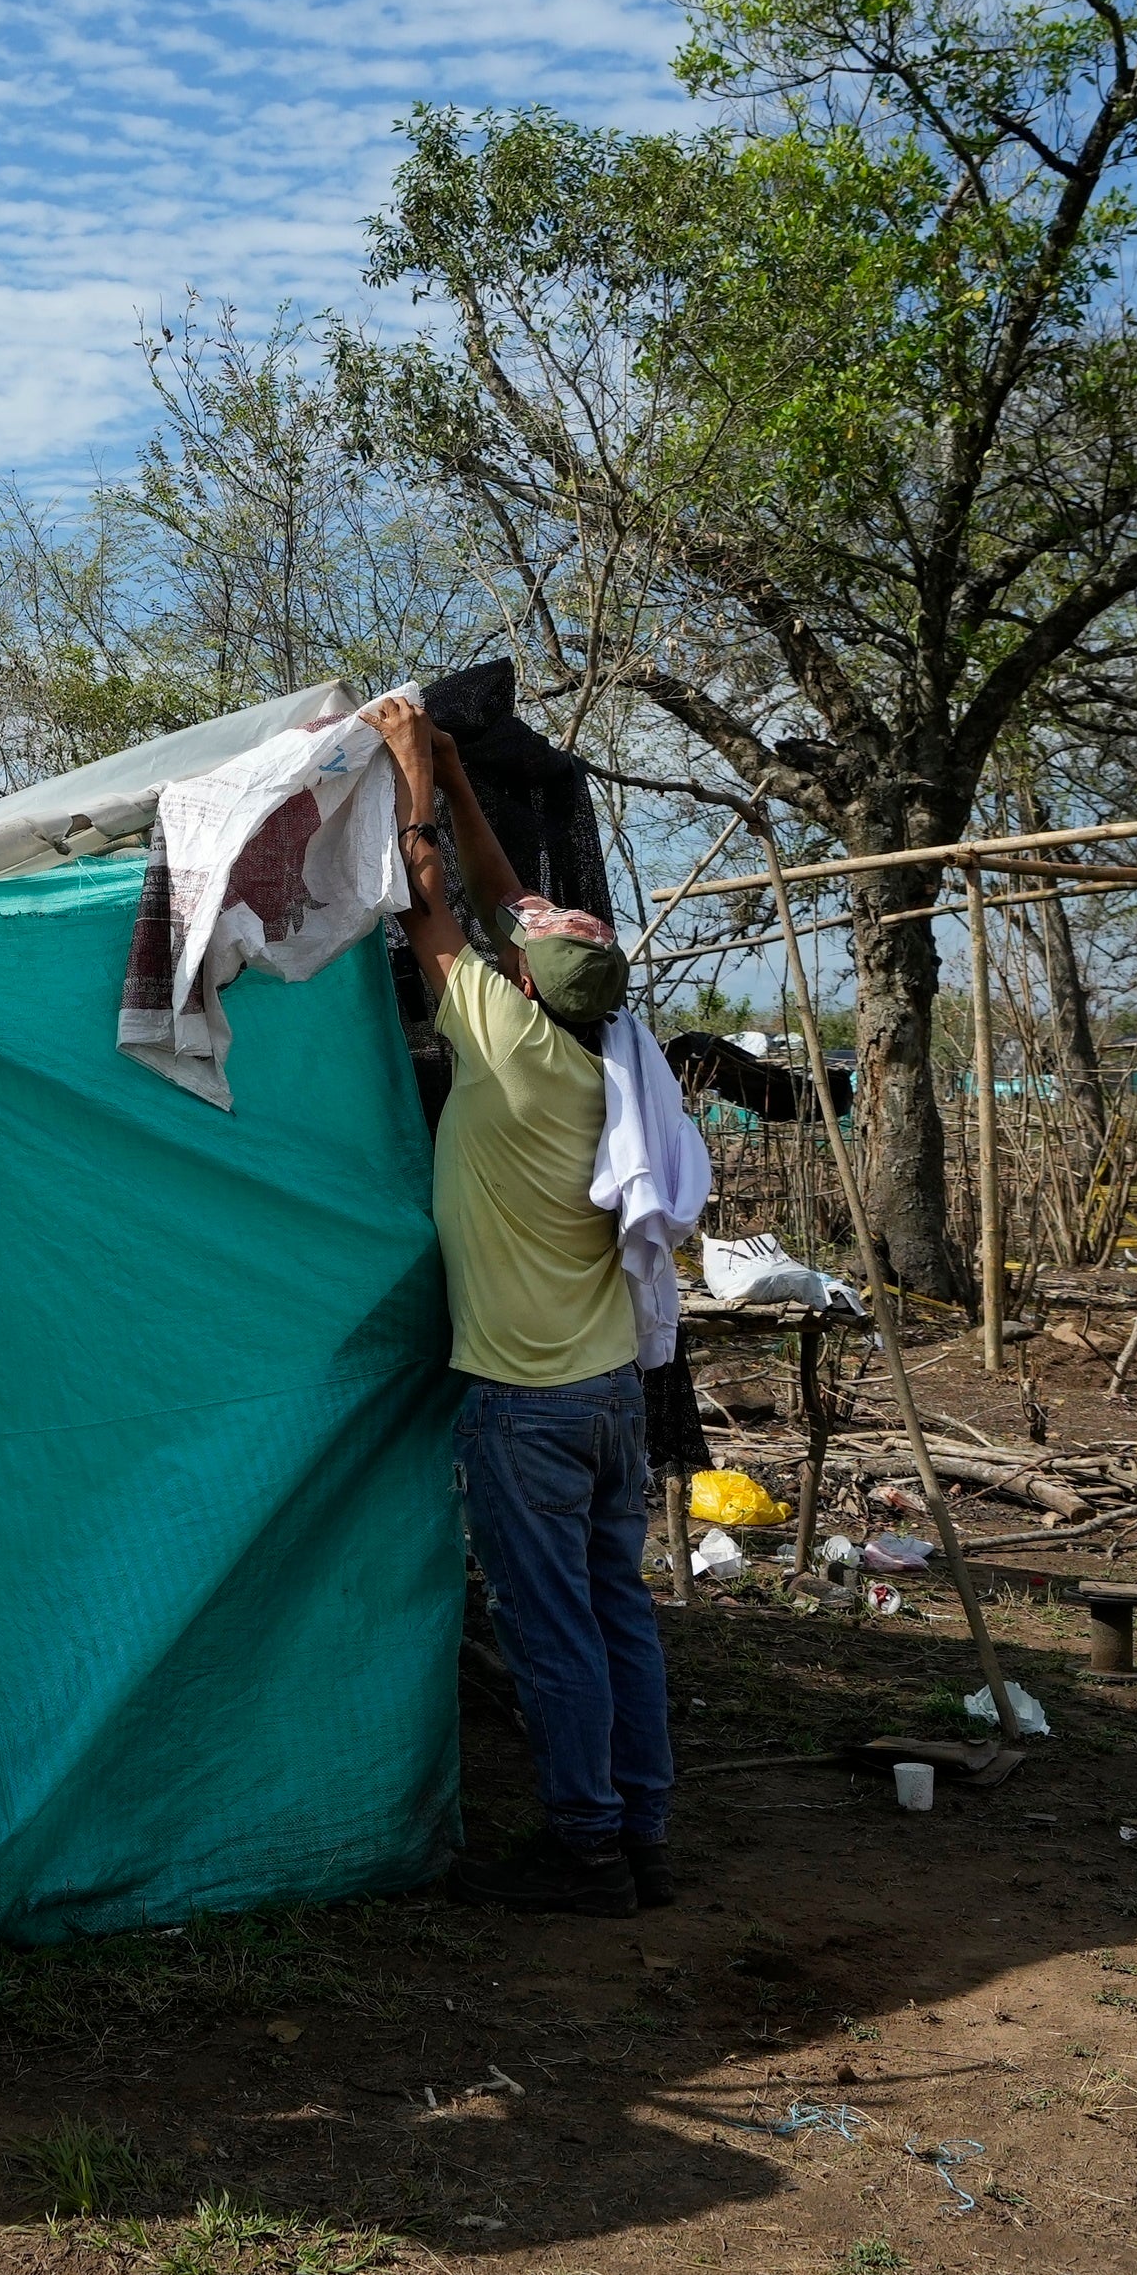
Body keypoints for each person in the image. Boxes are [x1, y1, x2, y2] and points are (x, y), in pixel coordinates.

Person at [361, 693, 677, 1915]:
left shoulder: (498, 1042)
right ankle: (641, 1833)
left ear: (526, 985)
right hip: (607, 1393)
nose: (511, 944)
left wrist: (407, 777)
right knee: (619, 1617)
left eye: (524, 950)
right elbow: (506, 897)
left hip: (525, 1404)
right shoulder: (610, 1054)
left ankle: (585, 1849)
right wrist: (452, 763)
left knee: (553, 1636)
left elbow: (433, 893)